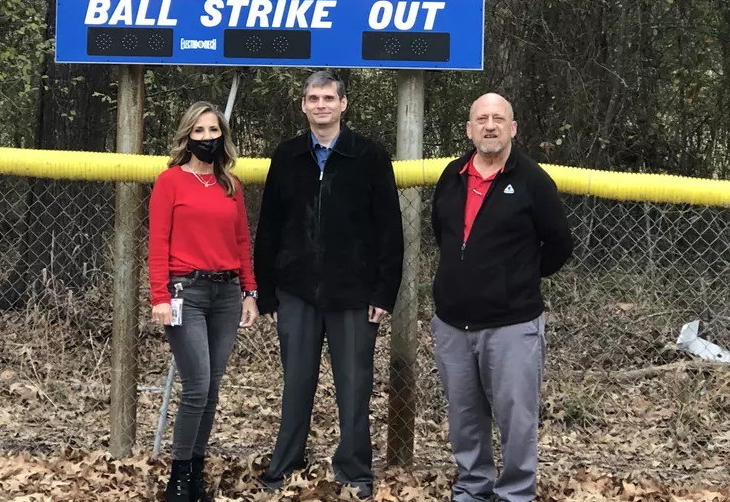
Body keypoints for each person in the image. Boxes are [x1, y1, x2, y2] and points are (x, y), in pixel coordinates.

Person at [254, 70, 404, 499]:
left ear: (343, 104)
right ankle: (283, 468)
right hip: (297, 291)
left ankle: (354, 471)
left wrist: (383, 292)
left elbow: (389, 230)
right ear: (303, 105)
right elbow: (270, 227)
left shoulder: (369, 155)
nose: (320, 105)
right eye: (312, 98)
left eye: (328, 98)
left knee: (355, 387)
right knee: (296, 384)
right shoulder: (286, 157)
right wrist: (267, 291)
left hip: (354, 294)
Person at [430, 93, 573, 502]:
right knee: (465, 418)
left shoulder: (532, 180)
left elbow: (560, 244)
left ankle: (515, 493)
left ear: (512, 128)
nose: (490, 125)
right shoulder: (451, 174)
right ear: (469, 129)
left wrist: (519, 278)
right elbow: (441, 232)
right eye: (482, 119)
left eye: (498, 118)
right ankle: (473, 488)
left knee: (517, 418)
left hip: (512, 325)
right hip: (453, 323)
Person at [148, 102, 259, 502]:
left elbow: (242, 242)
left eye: (213, 130)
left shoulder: (231, 185)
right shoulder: (170, 182)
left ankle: (195, 472)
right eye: (199, 131)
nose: (207, 138)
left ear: (222, 136)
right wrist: (159, 294)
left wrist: (250, 291)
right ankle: (177, 480)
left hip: (227, 294)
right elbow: (158, 241)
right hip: (185, 293)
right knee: (196, 387)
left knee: (211, 390)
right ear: (187, 137)